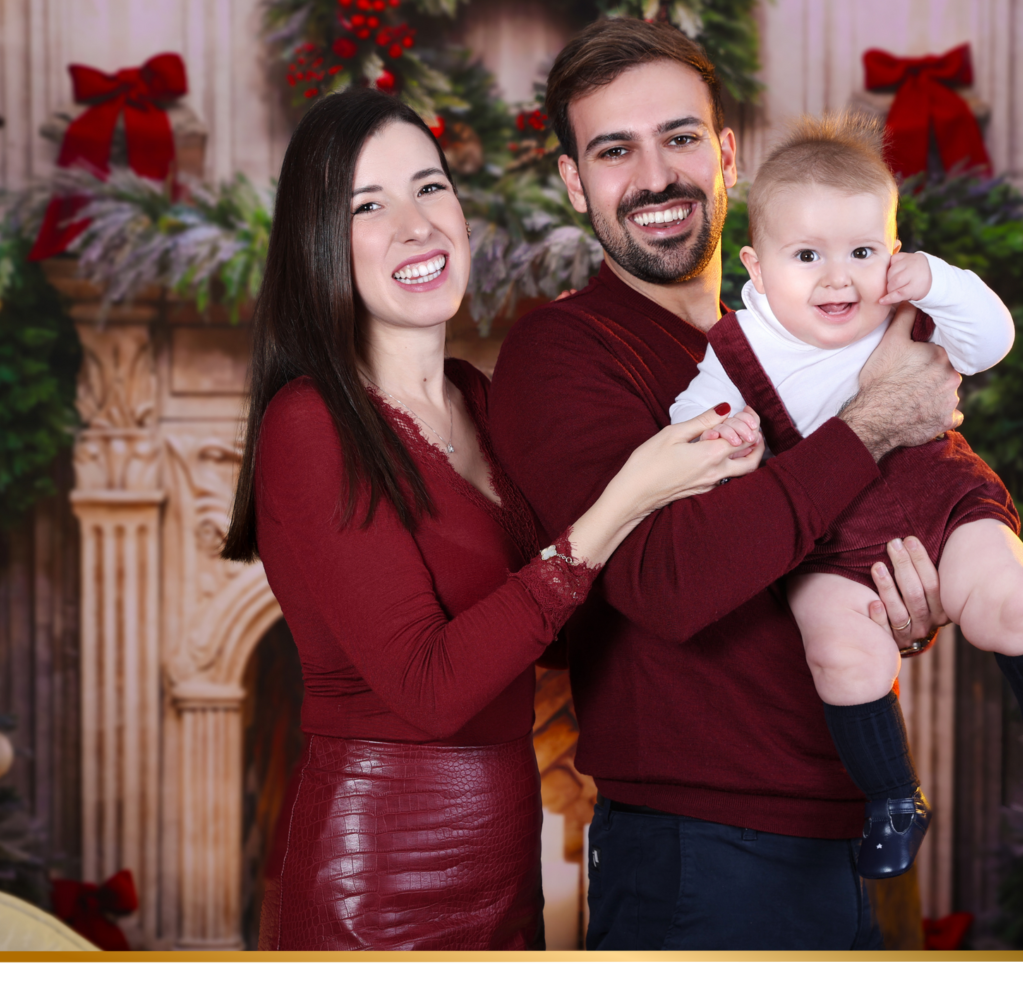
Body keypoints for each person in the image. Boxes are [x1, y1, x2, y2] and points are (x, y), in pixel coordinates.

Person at [223, 88, 765, 951]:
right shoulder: (309, 423)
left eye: (430, 187)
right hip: (376, 874)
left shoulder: (480, 398)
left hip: (507, 855)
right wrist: (629, 496)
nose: (416, 224)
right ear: (322, 240)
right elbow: (434, 688)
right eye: (370, 205)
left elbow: (552, 627)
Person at [488, 17, 969, 951]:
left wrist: (911, 586)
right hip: (700, 856)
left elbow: (899, 498)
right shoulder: (564, 353)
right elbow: (668, 582)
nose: (656, 174)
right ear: (572, 181)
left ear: (727, 155)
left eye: (678, 137)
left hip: (849, 823)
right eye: (614, 150)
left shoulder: (804, 341)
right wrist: (870, 425)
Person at [668, 110, 1023, 882]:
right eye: (806, 256)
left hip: (940, 497)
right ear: (756, 268)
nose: (838, 278)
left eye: (862, 251)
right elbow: (687, 424)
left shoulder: (902, 308)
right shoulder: (739, 350)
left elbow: (993, 341)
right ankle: (895, 799)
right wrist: (723, 441)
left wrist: (941, 282)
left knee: (1016, 602)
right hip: (829, 543)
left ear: (892, 254)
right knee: (842, 656)